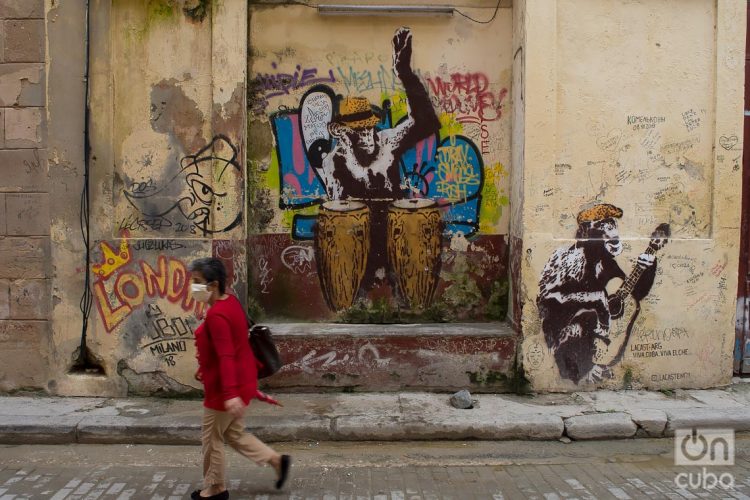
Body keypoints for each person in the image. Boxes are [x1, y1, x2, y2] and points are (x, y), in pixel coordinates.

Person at [188, 257, 290, 499]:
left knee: (211, 437)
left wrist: (230, 395)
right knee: (234, 434)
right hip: (242, 379)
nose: (192, 286)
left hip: (225, 387)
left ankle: (215, 488)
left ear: (213, 286)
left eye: (197, 282)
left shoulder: (217, 316)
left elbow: (226, 355)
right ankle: (276, 461)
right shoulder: (230, 302)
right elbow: (234, 343)